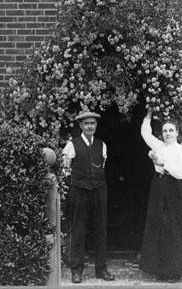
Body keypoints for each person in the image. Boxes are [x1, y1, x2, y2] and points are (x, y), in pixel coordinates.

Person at [139, 108, 182, 281]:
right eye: (164, 130)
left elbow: (180, 173)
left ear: (177, 132)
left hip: (174, 188)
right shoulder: (159, 146)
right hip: (158, 186)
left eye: (171, 130)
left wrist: (164, 162)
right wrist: (148, 115)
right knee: (158, 226)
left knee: (173, 228)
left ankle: (174, 271)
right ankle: (160, 269)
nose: (168, 133)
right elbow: (146, 134)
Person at [62, 111, 115, 284]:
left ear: (96, 125)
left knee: (100, 229)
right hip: (79, 190)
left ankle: (101, 269)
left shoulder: (102, 145)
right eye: (86, 124)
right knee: (79, 229)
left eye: (92, 123)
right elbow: (65, 169)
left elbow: (102, 166)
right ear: (81, 126)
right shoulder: (72, 145)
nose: (90, 126)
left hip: (99, 190)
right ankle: (76, 271)